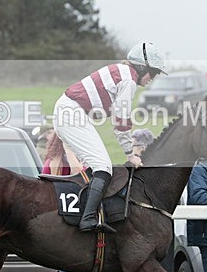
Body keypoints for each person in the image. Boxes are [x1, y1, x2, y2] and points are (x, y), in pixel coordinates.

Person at [53, 41, 166, 233]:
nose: (152, 79)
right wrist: (130, 154)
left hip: (70, 112)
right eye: (153, 73)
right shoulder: (129, 80)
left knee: (97, 166)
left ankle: (87, 211)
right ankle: (87, 218)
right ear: (141, 67)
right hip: (72, 114)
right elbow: (121, 121)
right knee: (103, 167)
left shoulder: (121, 71)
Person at [42, 130, 88, 272]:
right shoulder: (52, 161)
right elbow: (49, 182)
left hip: (82, 228)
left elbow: (83, 176)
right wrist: (63, 153)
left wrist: (71, 152)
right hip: (61, 230)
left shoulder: (83, 160)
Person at [124, 128, 167, 272]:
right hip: (133, 231)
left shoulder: (157, 169)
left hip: (153, 232)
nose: (135, 150)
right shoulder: (129, 166)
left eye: (137, 146)